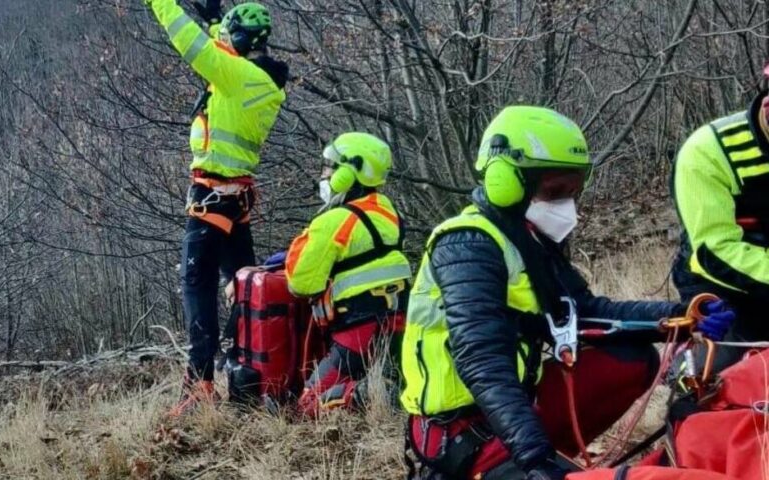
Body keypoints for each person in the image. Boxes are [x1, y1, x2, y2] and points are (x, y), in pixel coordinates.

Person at [399, 106, 734, 480]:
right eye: (555, 191)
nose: (565, 205)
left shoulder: (528, 240)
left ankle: (540, 461)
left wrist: (679, 316)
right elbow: (482, 360)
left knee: (632, 358)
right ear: (505, 181)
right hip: (461, 431)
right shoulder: (466, 245)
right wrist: (535, 458)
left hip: (513, 410)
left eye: (573, 190)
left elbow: (584, 311)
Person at [144, 0, 289, 416]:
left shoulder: (235, 76)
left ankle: (199, 382)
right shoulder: (258, 78)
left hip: (213, 197)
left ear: (239, 40)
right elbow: (217, 47)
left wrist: (162, 4)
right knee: (242, 287)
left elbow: (193, 45)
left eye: (227, 34)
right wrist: (213, 19)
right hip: (233, 198)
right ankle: (247, 376)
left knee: (198, 286)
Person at [285, 132, 412, 417]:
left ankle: (365, 393)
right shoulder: (390, 213)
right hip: (398, 325)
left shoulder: (334, 221)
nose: (325, 174)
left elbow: (301, 282)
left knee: (308, 404)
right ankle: (383, 387)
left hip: (358, 329)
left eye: (330, 167)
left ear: (348, 173)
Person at [672, 85, 769, 372]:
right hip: (720, 284)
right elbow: (714, 251)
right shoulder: (709, 151)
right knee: (720, 374)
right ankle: (687, 375)